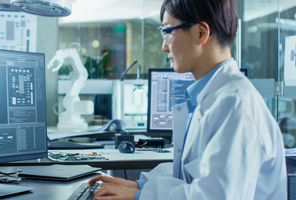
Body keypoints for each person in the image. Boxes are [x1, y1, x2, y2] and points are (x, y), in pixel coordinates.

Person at [88, 0, 288, 199]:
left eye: (167, 31)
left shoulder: (234, 104)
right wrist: (139, 186)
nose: (164, 46)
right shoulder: (213, 97)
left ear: (201, 33)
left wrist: (141, 195)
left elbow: (217, 196)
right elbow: (191, 175)